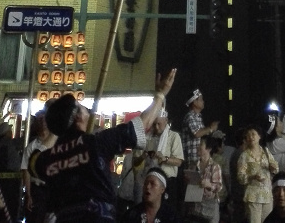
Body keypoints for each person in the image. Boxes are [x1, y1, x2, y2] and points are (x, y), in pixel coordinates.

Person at [30, 68, 176, 222]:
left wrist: (58, 127)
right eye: (82, 108)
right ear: (78, 117)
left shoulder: (46, 159)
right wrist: (160, 95)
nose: (87, 111)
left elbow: (33, 161)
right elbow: (141, 124)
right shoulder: (96, 143)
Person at [238, 126, 279, 223]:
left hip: (267, 195)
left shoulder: (266, 152)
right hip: (253, 197)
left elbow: (276, 168)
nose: (250, 137)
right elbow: (240, 177)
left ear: (259, 136)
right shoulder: (244, 156)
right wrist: (253, 177)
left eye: (253, 134)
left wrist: (273, 168)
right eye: (248, 135)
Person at [21, 110, 51, 223]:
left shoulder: (57, 143)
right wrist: (28, 194)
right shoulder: (31, 147)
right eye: (40, 119)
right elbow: (26, 171)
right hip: (37, 191)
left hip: (54, 189)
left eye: (45, 119)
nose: (43, 122)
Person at [0, 119, 23, 222]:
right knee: (11, 207)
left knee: (1, 207)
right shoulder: (10, 143)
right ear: (7, 132)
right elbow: (25, 142)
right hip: (11, 181)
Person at [182, 90, 220, 172]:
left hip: (199, 158)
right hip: (192, 159)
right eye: (201, 99)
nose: (203, 101)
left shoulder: (198, 117)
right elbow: (196, 133)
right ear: (194, 102)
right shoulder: (190, 116)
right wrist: (210, 128)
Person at [198, 135, 224, 223]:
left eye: (201, 144)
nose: (198, 146)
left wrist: (208, 185)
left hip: (210, 204)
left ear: (208, 149)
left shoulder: (215, 166)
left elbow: (219, 187)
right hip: (195, 204)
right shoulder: (194, 165)